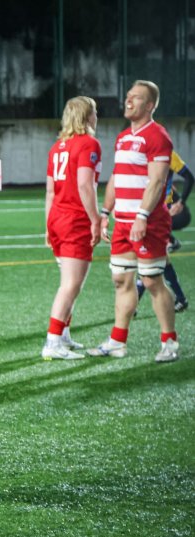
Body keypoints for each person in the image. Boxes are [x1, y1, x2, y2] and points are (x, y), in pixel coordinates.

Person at [90, 80, 178, 363]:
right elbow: (116, 178)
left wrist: (142, 215)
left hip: (148, 223)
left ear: (150, 105)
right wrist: (105, 213)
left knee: (152, 281)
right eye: (128, 96)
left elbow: (158, 181)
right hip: (123, 222)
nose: (128, 101)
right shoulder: (122, 137)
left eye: (136, 98)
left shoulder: (158, 136)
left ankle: (169, 342)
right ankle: (118, 341)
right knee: (120, 279)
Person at [41, 97, 102, 360]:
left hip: (57, 218)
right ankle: (52, 342)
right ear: (88, 116)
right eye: (95, 112)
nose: (96, 117)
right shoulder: (89, 143)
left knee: (70, 283)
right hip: (75, 220)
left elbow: (50, 190)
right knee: (70, 285)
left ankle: (63, 335)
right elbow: (85, 185)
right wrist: (96, 219)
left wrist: (47, 226)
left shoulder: (57, 147)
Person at [135, 150, 191, 312]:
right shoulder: (142, 154)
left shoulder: (168, 153)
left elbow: (189, 177)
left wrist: (180, 202)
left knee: (147, 256)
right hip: (148, 210)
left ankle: (135, 303)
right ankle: (181, 299)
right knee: (156, 258)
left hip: (160, 213)